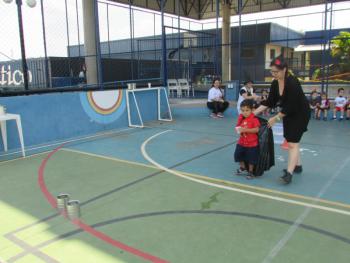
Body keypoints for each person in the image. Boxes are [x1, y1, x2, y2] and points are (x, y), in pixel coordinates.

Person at [254, 57, 310, 184]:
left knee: (292, 143)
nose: (274, 74)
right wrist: (254, 113)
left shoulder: (293, 82)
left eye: (276, 72)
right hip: (287, 114)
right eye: (272, 71)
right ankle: (298, 166)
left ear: (284, 69)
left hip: (300, 114)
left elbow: (292, 106)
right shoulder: (275, 83)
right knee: (292, 140)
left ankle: (289, 174)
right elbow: (270, 101)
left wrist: (275, 118)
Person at [234, 99, 260, 179]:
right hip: (241, 142)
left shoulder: (254, 119)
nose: (244, 112)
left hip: (252, 143)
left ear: (252, 110)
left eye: (247, 110)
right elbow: (238, 126)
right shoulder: (241, 118)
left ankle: (251, 172)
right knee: (238, 155)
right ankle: (243, 167)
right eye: (243, 110)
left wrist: (245, 130)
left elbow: (256, 130)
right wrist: (238, 129)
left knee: (251, 158)